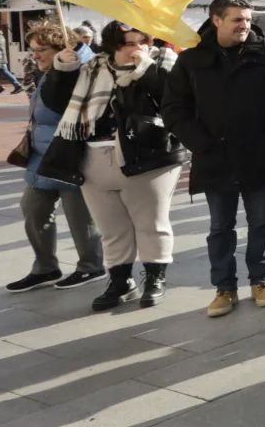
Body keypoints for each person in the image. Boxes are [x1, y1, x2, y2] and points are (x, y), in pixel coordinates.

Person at [161, 0, 265, 318]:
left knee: (261, 222)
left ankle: (261, 280)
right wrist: (200, 142)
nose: (245, 25)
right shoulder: (192, 59)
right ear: (216, 20)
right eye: (237, 19)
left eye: (248, 20)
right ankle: (224, 287)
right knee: (220, 226)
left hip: (259, 154)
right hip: (215, 156)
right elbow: (173, 107)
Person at [42, 21, 185, 309]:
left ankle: (155, 277)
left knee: (151, 223)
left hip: (148, 158)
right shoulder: (93, 67)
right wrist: (62, 70)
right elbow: (57, 102)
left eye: (140, 41)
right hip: (94, 157)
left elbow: (173, 98)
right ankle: (120, 280)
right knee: (110, 227)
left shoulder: (162, 61)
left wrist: (144, 70)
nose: (136, 49)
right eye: (127, 44)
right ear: (112, 47)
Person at [7, 23, 107, 293]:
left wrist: (65, 67)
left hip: (69, 153)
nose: (35, 55)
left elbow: (64, 98)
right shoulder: (49, 71)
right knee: (32, 208)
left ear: (62, 48)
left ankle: (91, 266)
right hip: (42, 154)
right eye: (32, 50)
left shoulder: (78, 71)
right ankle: (45, 267)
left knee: (80, 217)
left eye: (41, 50)